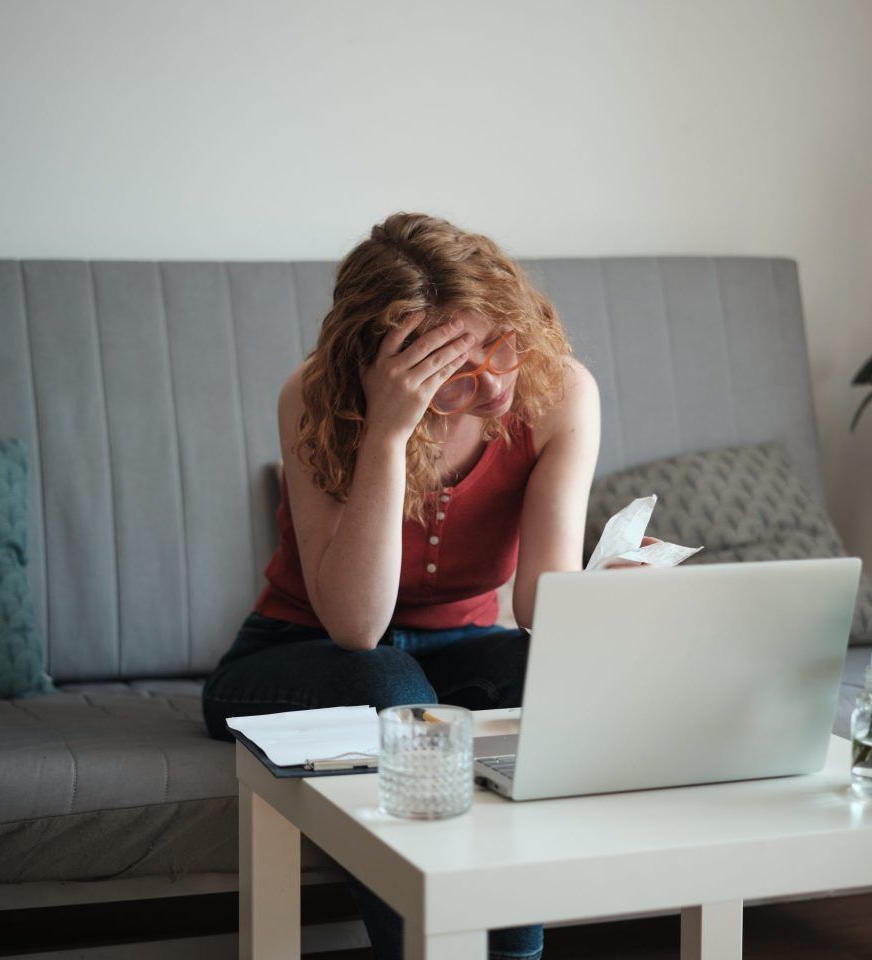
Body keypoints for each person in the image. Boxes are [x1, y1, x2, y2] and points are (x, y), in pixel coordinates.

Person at [202, 212, 645, 960]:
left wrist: (612, 593)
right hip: (294, 652)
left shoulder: (559, 392)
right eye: (457, 377)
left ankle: (511, 952)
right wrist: (387, 433)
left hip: (460, 649)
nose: (497, 383)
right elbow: (354, 628)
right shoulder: (315, 399)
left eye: (502, 345)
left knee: (541, 676)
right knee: (393, 686)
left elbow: (542, 606)